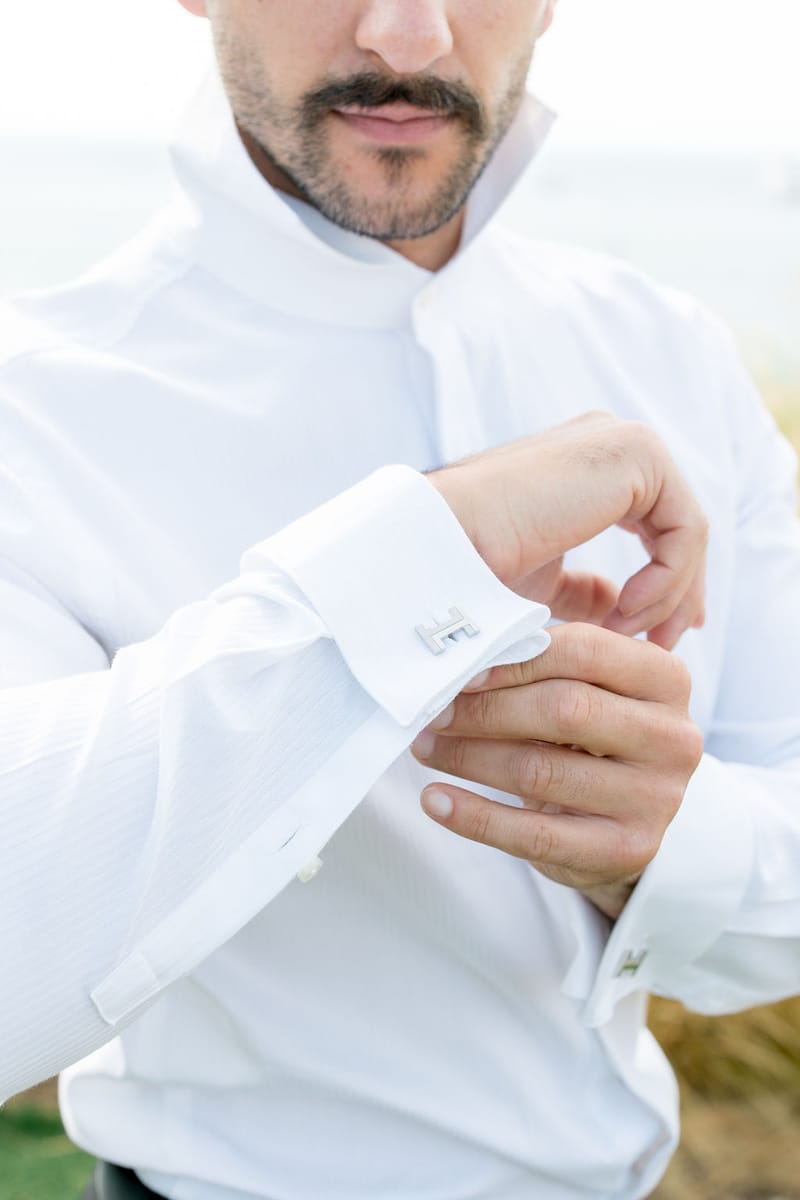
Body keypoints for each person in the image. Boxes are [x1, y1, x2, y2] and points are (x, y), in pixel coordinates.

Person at [0, 1, 797, 1197]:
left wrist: (662, 844)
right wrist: (433, 546)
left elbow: (769, 926)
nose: (411, 39)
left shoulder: (669, 350)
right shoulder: (33, 412)